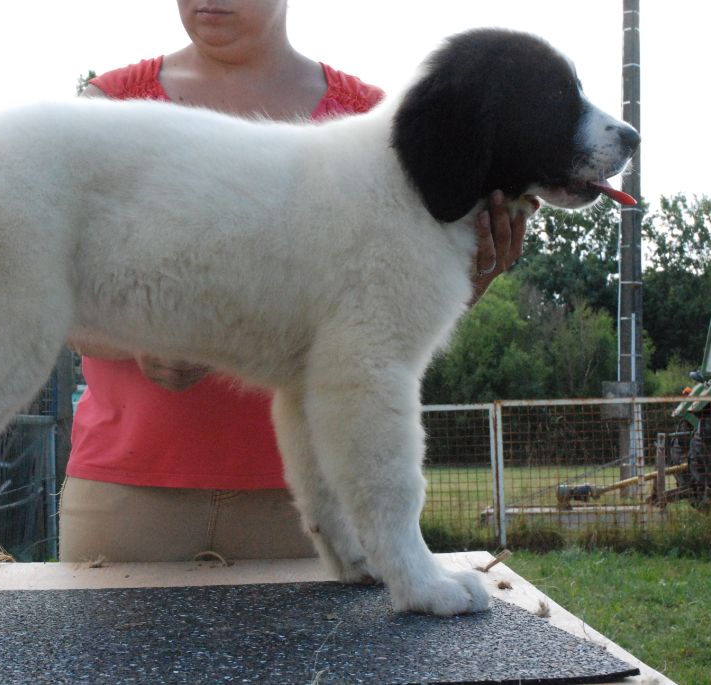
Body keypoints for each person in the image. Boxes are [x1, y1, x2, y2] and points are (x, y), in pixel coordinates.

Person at [59, 0, 527, 563]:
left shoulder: (377, 124)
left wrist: (469, 278)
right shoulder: (108, 108)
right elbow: (55, 295)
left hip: (308, 508)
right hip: (128, 498)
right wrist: (141, 337)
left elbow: (386, 326)